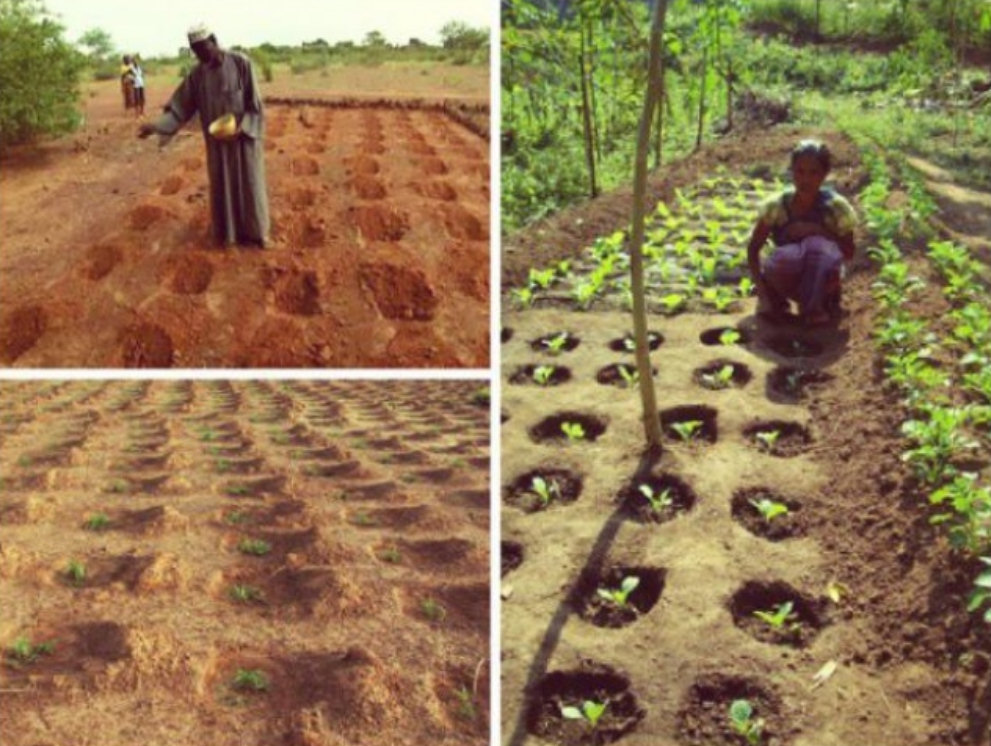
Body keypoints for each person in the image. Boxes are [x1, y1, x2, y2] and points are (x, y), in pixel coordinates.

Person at [137, 24, 269, 248]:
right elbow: (180, 108)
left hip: (243, 141)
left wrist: (242, 127)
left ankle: (259, 234)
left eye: (202, 49)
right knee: (223, 188)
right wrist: (156, 126)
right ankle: (230, 236)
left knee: (250, 186)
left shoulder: (241, 63)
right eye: (195, 51)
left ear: (214, 40)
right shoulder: (197, 75)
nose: (200, 56)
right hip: (217, 145)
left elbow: (255, 106)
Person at [746, 140, 856, 326]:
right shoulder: (777, 205)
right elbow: (753, 248)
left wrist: (819, 231)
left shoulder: (836, 208)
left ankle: (815, 308)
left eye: (813, 173)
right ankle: (777, 301)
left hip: (824, 282)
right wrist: (762, 291)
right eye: (800, 171)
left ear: (824, 175)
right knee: (787, 256)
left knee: (818, 247)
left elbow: (849, 252)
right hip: (786, 279)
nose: (806, 179)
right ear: (792, 171)